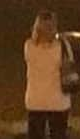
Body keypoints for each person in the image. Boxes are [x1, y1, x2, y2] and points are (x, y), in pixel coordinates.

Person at [24, 10, 71, 139]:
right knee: (58, 135)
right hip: (59, 101)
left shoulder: (28, 47)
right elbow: (70, 61)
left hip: (35, 101)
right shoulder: (62, 46)